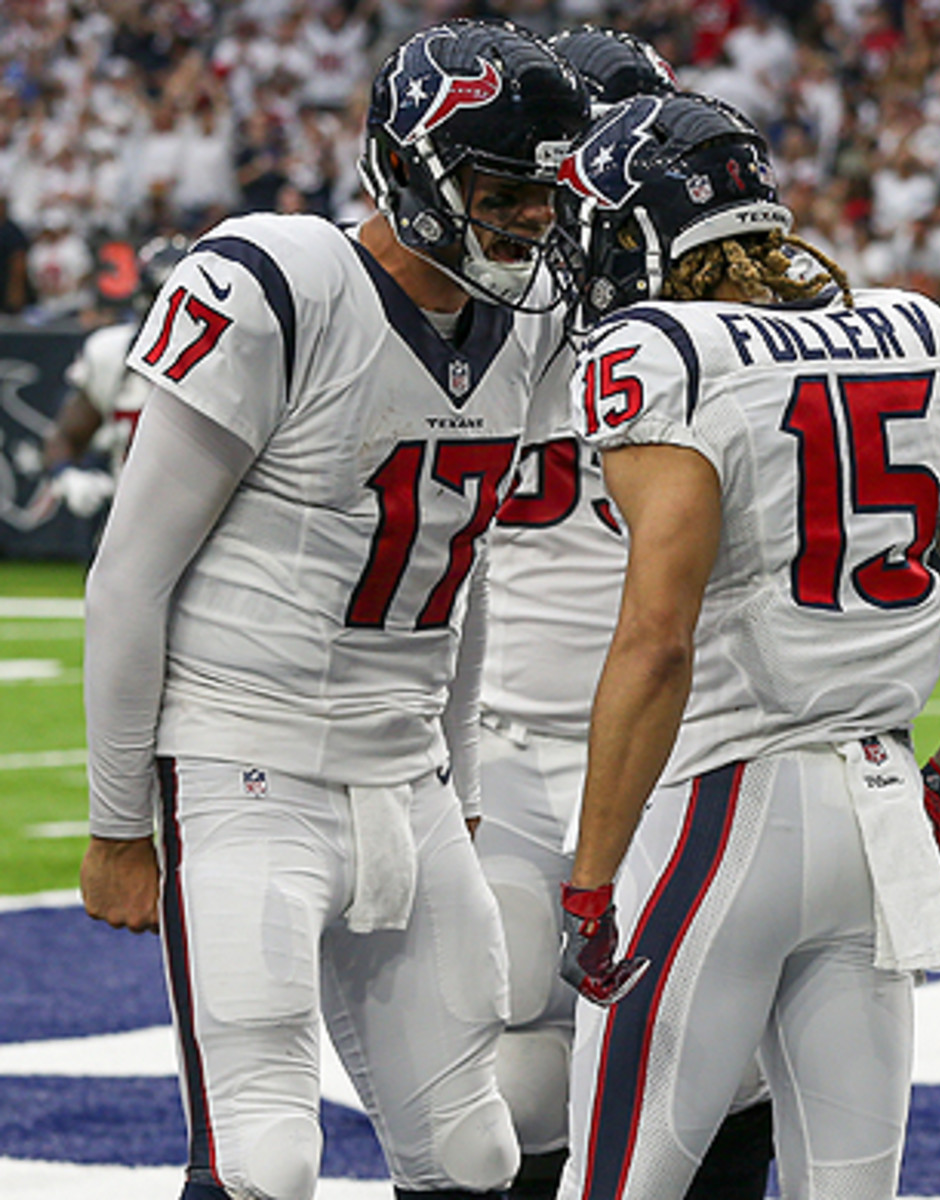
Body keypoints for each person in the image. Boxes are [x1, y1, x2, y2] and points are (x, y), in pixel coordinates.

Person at [78, 19, 589, 1200]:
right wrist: (117, 823)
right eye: (503, 189)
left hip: (404, 772)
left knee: (475, 1150)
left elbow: (458, 588)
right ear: (411, 168)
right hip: (242, 759)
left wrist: (456, 788)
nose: (529, 220)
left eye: (542, 195)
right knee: (267, 1156)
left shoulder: (527, 329)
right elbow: (129, 578)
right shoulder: (278, 283)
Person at [551, 93, 940, 1200]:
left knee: (616, 1184)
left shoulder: (663, 352)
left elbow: (657, 641)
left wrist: (589, 880)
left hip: (724, 808)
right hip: (880, 819)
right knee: (849, 1187)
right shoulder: (904, 334)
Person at [478, 25, 772, 1200]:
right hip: (514, 732)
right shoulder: (458, 313)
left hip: (671, 734)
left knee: (713, 1062)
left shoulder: (706, 337)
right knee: (520, 1064)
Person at [41, 234, 190, 521]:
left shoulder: (229, 361)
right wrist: (66, 474)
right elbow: (64, 436)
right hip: (128, 529)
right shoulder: (111, 354)